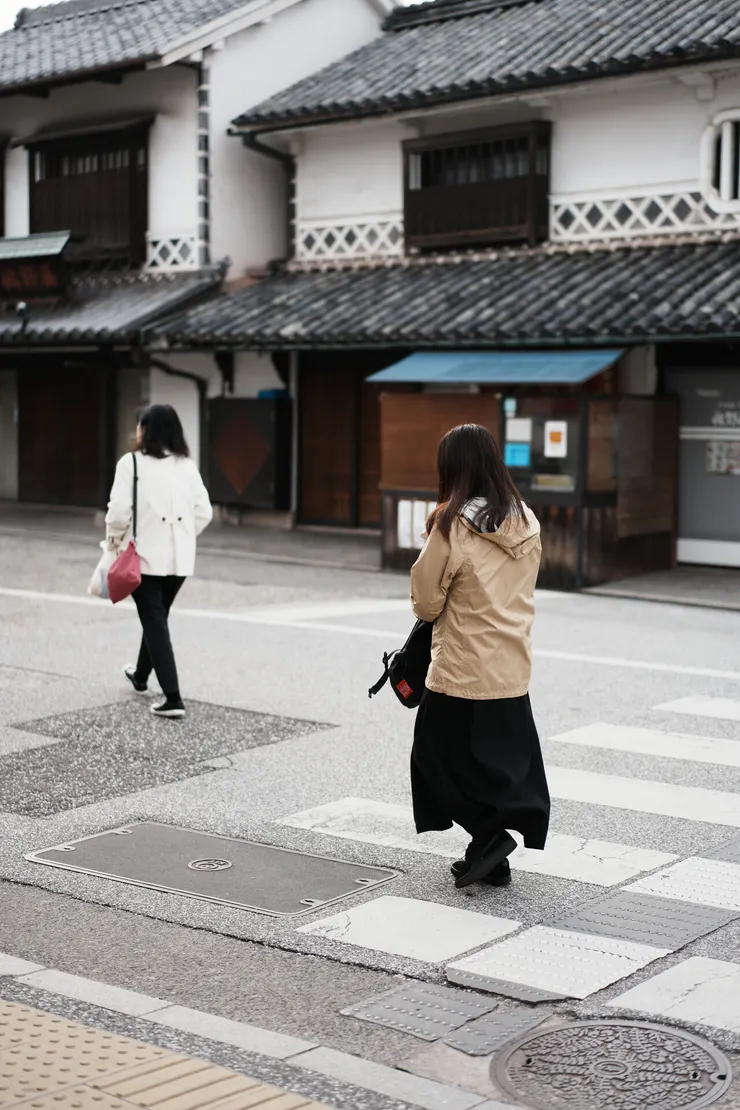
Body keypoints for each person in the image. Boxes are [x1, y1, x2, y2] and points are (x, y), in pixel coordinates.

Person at [410, 423, 550, 889]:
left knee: (435, 763)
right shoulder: (525, 520)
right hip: (511, 666)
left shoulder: (451, 525)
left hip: (461, 669)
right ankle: (491, 860)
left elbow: (427, 603)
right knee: (496, 768)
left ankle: (490, 839)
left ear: (451, 468)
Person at [105, 404, 213, 718]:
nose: (136, 431)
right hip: (180, 559)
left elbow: (118, 512)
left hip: (145, 556)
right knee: (156, 617)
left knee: (154, 621)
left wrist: (113, 542)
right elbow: (204, 512)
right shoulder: (186, 465)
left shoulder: (131, 464)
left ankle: (173, 698)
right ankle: (140, 676)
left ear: (147, 429)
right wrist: (182, 535)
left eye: (140, 425)